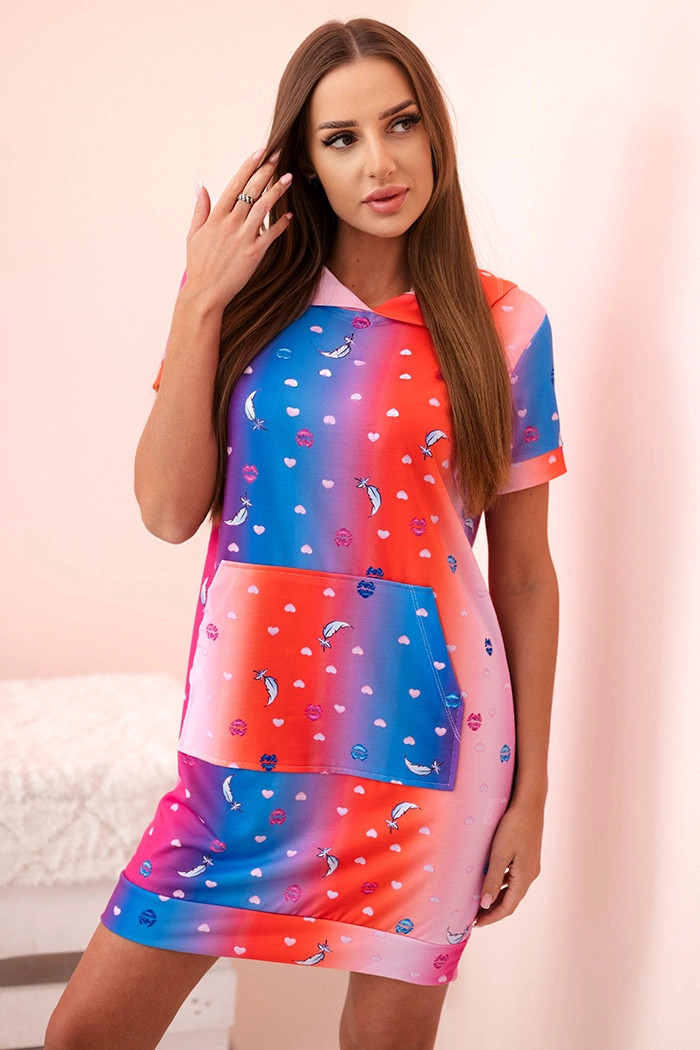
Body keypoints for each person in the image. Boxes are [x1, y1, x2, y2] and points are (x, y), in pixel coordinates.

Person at [45, 16, 566, 1050]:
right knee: (86, 1034)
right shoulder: (242, 307)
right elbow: (166, 511)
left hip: (432, 755)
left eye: (401, 123)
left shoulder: (506, 326)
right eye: (342, 138)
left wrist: (531, 797)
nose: (380, 162)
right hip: (243, 753)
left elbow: (524, 580)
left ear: (435, 132)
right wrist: (200, 300)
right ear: (304, 162)